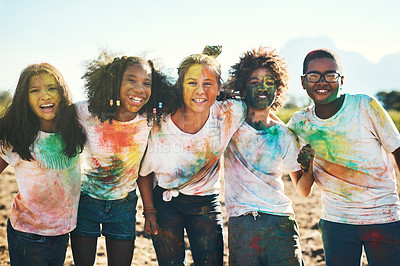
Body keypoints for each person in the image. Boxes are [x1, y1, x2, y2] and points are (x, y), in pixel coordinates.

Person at [288, 48, 400, 265]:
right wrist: (307, 166)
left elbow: (398, 151)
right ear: (303, 82)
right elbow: (302, 191)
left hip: (383, 218)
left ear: (342, 80)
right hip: (336, 222)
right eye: (313, 76)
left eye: (330, 75)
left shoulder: (365, 106)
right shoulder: (299, 124)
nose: (322, 82)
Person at [138, 46, 247, 265]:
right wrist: (149, 210)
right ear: (180, 86)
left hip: (206, 203)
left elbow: (262, 110)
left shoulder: (229, 113)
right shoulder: (159, 121)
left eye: (208, 84)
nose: (200, 91)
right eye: (192, 83)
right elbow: (144, 173)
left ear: (218, 89)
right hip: (165, 203)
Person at [70, 56, 173, 266]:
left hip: (124, 207)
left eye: (147, 83)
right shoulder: (86, 112)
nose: (140, 89)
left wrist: (149, 210)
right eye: (131, 80)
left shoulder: (149, 120)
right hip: (85, 202)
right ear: (115, 82)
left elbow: (142, 170)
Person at [223, 47, 312, 265]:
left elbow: (303, 189)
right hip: (242, 223)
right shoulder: (229, 125)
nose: (262, 87)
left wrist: (309, 164)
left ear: (278, 91)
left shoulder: (284, 135)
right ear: (242, 89)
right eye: (254, 82)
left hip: (280, 222)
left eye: (269, 82)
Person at [0, 63, 86, 265]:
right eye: (35, 90)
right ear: (25, 98)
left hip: (62, 231)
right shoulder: (18, 137)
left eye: (51, 88)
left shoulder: (72, 129)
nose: (45, 95)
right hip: (27, 234)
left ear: (61, 92)